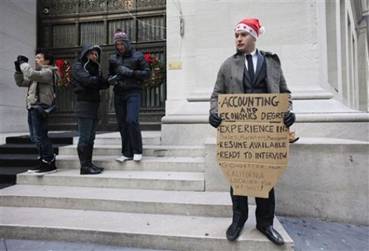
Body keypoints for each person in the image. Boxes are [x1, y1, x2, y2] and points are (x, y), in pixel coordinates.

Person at [209, 18, 296, 245]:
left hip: (266, 133)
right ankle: (238, 219)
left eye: (243, 35)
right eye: (236, 35)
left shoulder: (272, 63)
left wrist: (289, 114)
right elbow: (217, 94)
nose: (238, 39)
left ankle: (265, 222)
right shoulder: (228, 65)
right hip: (237, 132)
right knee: (237, 175)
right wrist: (214, 113)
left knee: (266, 176)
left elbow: (285, 93)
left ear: (254, 37)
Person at [108, 29, 151, 162]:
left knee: (131, 120)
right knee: (122, 124)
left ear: (126, 43)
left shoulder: (137, 55)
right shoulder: (113, 58)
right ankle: (126, 153)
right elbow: (109, 75)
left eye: (121, 44)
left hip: (133, 92)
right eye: (117, 44)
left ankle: (137, 150)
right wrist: (111, 79)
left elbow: (147, 73)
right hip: (119, 93)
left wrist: (131, 72)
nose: (119, 47)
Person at [14, 49, 58, 174]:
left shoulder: (48, 72)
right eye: (36, 57)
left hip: (40, 108)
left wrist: (23, 64)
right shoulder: (37, 74)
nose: (36, 60)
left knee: (40, 136)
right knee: (35, 137)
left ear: (47, 60)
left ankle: (49, 162)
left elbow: (31, 73)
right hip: (32, 107)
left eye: (39, 57)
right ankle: (44, 159)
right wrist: (18, 70)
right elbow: (21, 82)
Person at [71, 44, 109, 175]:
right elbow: (87, 81)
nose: (95, 56)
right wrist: (100, 81)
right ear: (86, 53)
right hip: (84, 104)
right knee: (85, 137)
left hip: (94, 105)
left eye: (96, 54)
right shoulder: (78, 66)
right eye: (92, 53)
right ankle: (84, 166)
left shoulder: (96, 67)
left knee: (91, 137)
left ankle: (89, 163)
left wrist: (109, 81)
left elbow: (100, 83)